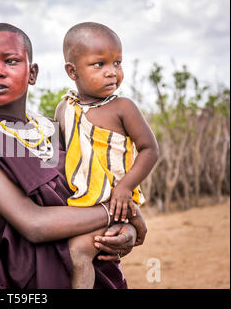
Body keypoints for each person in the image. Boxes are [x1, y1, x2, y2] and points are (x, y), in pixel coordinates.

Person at [0, 23, 147, 289]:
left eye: (11, 61)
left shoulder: (54, 128)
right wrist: (123, 214)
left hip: (90, 270)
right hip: (29, 281)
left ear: (32, 73)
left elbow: (91, 194)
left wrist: (126, 230)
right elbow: (33, 223)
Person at [54, 22, 159, 288]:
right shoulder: (63, 110)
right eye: (99, 64)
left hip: (115, 203)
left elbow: (149, 149)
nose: (112, 72)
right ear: (72, 71)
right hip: (79, 205)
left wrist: (125, 187)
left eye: (117, 62)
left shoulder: (123, 107)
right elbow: (58, 157)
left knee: (79, 253)